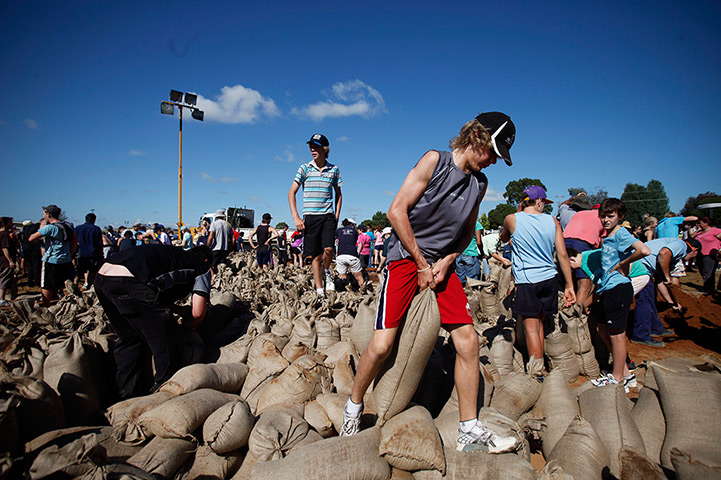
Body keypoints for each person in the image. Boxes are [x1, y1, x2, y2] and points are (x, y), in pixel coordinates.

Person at [342, 111, 518, 454]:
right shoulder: (434, 161)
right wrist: (422, 263)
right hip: (406, 260)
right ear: (477, 138)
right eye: (493, 152)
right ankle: (353, 407)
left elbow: (468, 229)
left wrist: (448, 260)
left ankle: (468, 429)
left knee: (468, 342)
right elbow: (396, 211)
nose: (495, 161)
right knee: (381, 347)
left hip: (443, 264)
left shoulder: (479, 185)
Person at [94, 244, 213, 398]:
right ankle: (164, 391)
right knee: (166, 338)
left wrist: (177, 309)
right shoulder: (201, 266)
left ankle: (127, 393)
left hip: (103, 277)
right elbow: (197, 313)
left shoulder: (173, 257)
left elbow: (153, 295)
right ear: (206, 260)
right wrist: (187, 328)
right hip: (131, 280)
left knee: (130, 338)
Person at [500, 186, 576, 366]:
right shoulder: (552, 221)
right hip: (549, 278)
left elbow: (503, 238)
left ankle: (537, 369)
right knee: (541, 324)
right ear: (540, 201)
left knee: (531, 327)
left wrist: (517, 213)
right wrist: (569, 285)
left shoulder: (512, 219)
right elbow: (563, 254)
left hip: (527, 280)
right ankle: (541, 362)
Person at [590, 198, 650, 390]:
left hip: (618, 288)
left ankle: (617, 378)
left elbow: (644, 250)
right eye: (603, 216)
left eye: (610, 216)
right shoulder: (608, 235)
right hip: (607, 288)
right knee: (602, 328)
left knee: (617, 334)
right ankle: (625, 373)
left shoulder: (621, 234)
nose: (606, 220)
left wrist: (624, 264)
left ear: (620, 216)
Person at [288, 133, 343, 296]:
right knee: (315, 255)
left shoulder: (334, 170)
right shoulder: (304, 168)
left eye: (316, 146)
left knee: (329, 249)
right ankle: (320, 290)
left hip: (327, 216)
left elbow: (339, 194)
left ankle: (327, 272)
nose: (313, 149)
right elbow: (291, 193)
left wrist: (337, 215)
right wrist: (296, 217)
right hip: (310, 217)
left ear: (325, 149)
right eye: (311, 146)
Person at [28, 205, 77, 306]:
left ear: (48, 214)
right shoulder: (69, 226)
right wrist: (70, 254)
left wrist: (41, 228)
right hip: (65, 259)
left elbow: (31, 238)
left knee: (47, 285)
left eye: (44, 213)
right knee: (65, 283)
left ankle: (46, 306)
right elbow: (75, 241)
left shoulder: (50, 228)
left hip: (51, 260)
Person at [562, 195, 605, 307]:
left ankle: (562, 312)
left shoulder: (578, 214)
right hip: (582, 244)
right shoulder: (603, 217)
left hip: (563, 244)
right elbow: (603, 243)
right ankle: (576, 315)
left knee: (564, 282)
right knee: (584, 285)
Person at [691, 217, 721, 294]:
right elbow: (691, 237)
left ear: (706, 223)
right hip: (700, 254)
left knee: (708, 272)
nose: (699, 225)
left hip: (710, 254)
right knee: (702, 270)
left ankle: (709, 288)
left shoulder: (715, 230)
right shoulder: (699, 232)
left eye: (700, 223)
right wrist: (697, 230)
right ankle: (708, 286)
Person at [75, 212, 104, 289]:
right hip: (93, 253)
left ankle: (75, 285)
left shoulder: (78, 228)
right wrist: (101, 253)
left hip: (82, 252)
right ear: (94, 220)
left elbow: (74, 240)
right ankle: (89, 286)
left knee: (79, 271)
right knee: (92, 271)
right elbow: (99, 243)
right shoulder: (96, 229)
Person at [335, 218, 365, 288]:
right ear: (351, 224)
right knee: (359, 277)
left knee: (341, 276)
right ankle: (363, 291)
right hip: (352, 255)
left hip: (341, 255)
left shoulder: (339, 230)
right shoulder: (354, 231)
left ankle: (342, 290)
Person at [455, 219, 483, 286]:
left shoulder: (459, 222)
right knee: (472, 282)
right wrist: (482, 253)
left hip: (458, 255)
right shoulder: (476, 223)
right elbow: (479, 242)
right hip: (471, 254)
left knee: (461, 281)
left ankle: (462, 295)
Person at [0, 217, 18, 307]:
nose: (12, 224)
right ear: (4, 224)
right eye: (10, 222)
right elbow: (5, 248)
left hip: (2, 260)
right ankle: (2, 299)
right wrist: (10, 260)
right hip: (5, 261)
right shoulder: (5, 235)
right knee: (4, 279)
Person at [20, 219, 42, 288]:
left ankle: (29, 281)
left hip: (26, 249)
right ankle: (37, 282)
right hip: (34, 248)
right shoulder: (33, 228)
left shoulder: (23, 231)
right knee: (36, 265)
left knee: (30, 266)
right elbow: (39, 224)